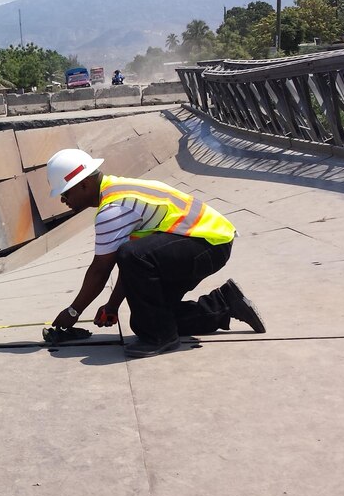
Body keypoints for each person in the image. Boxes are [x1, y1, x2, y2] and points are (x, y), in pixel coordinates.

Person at [46, 148, 265, 357]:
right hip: (207, 243)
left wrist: (73, 311)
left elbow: (101, 271)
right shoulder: (118, 187)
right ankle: (225, 303)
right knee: (148, 321)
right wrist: (112, 306)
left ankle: (161, 338)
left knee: (132, 260)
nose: (63, 200)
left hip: (207, 244)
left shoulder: (113, 209)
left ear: (83, 185)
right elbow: (134, 263)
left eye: (65, 193)